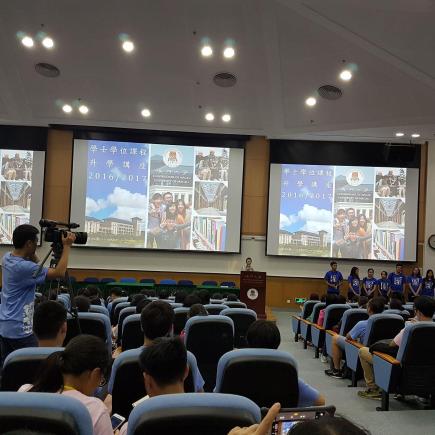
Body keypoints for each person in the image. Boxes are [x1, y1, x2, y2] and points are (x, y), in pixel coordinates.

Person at [0, 225, 75, 366]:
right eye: (35, 242)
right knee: (35, 367)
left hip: (5, 324)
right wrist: (67, 247)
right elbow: (59, 273)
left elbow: (36, 262)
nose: (36, 244)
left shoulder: (7, 258)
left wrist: (30, 250)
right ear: (28, 243)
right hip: (20, 328)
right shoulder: (24, 267)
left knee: (9, 367)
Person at [20, 335, 112, 435]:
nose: (99, 384)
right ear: (95, 373)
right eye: (101, 379)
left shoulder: (24, 392)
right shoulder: (96, 409)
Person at [358, 296, 435, 400]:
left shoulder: (410, 329)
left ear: (418, 312)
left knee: (363, 351)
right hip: (428, 372)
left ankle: (373, 388)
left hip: (399, 369)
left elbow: (392, 344)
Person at [245, 320, 325, 407]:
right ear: (277, 343)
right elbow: (320, 401)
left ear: (247, 341)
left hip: (241, 420)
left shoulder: (233, 365)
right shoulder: (286, 370)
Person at [325, 297, 385, 379]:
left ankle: (336, 370)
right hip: (382, 350)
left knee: (335, 338)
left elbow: (348, 337)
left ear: (370, 309)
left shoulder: (362, 324)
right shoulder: (387, 321)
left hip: (363, 349)